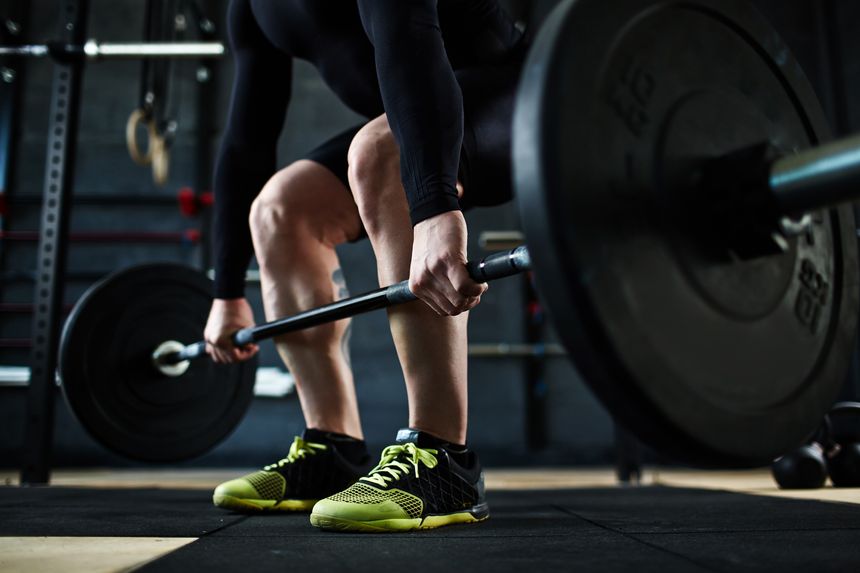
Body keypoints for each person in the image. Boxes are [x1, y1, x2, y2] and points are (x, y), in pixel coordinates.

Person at [206, 0, 525, 532]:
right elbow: (247, 141)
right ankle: (333, 448)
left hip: (526, 98)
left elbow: (409, 45)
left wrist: (434, 207)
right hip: (421, 114)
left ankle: (443, 461)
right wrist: (226, 292)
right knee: (280, 208)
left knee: (381, 152)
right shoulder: (251, 8)